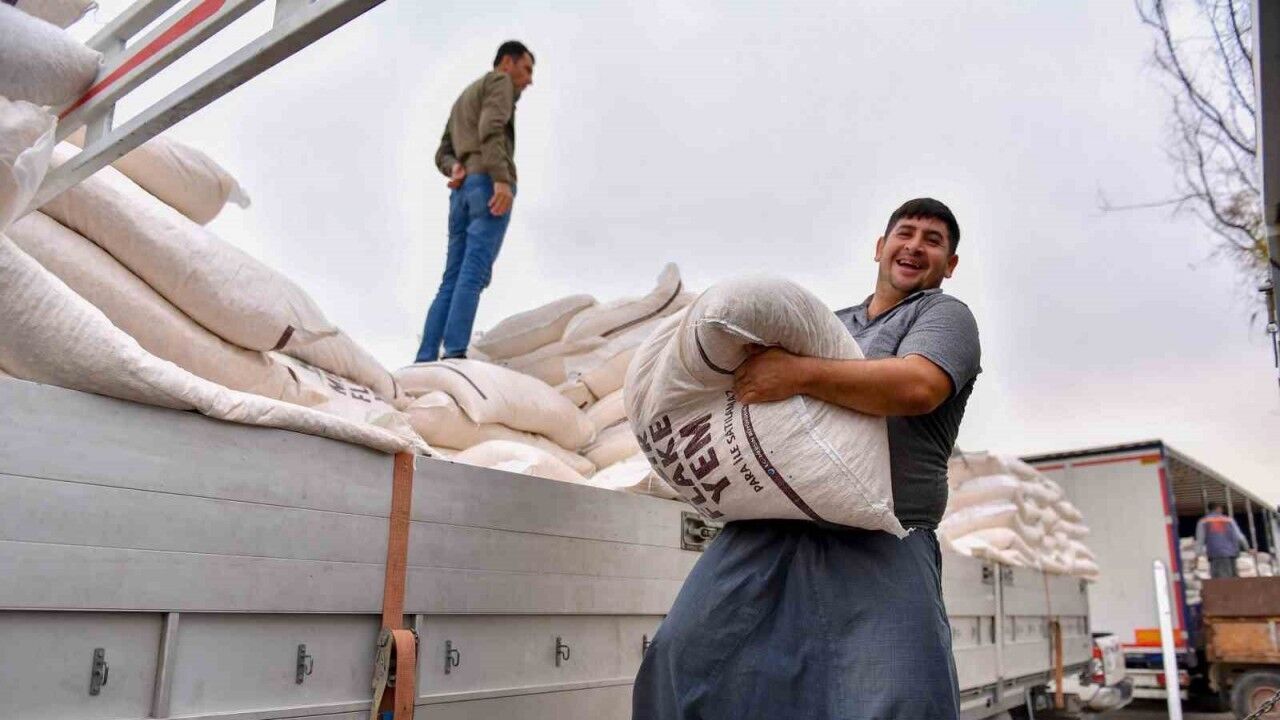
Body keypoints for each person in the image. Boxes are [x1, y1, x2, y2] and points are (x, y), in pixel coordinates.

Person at [632, 198, 981, 720]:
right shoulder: (830, 324)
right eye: (904, 233)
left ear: (949, 265)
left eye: (933, 240)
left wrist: (798, 375)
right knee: (681, 662)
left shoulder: (944, 316)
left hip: (884, 540)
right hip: (771, 529)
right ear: (880, 247)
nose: (914, 246)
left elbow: (918, 385)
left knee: (899, 699)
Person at [414, 41, 535, 363]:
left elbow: (442, 150)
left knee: (451, 278)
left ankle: (425, 358)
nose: (529, 79)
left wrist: (452, 166)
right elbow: (491, 128)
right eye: (526, 69)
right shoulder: (499, 83)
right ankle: (454, 355)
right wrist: (501, 179)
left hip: (462, 190)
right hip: (487, 185)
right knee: (473, 273)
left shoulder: (464, 97)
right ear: (507, 62)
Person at [1196, 502, 1249, 579]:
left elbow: (1200, 540)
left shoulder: (1203, 521)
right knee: (1233, 577)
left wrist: (1197, 554)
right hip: (1232, 553)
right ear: (1218, 508)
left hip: (1215, 554)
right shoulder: (1229, 520)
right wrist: (1247, 548)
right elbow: (1240, 536)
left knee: (1220, 579)